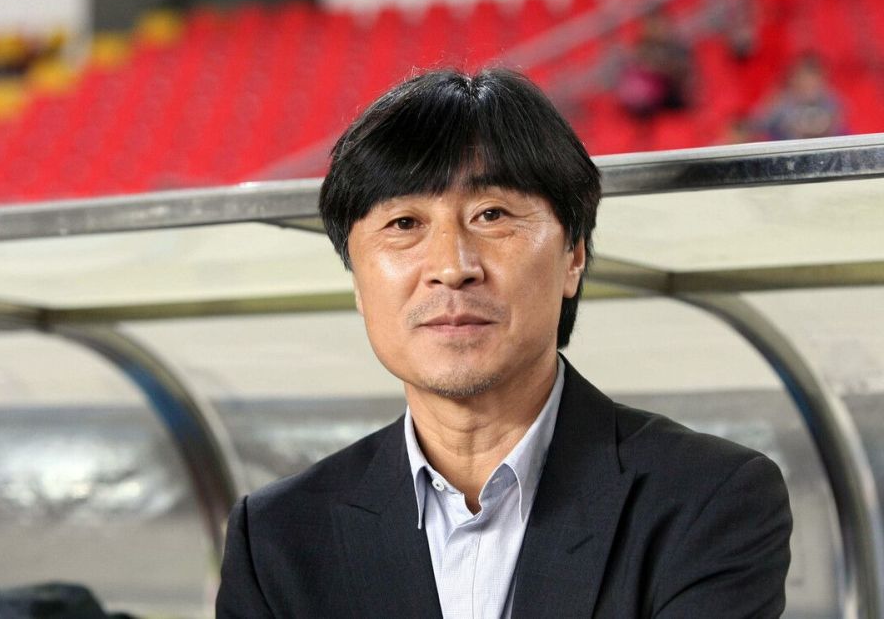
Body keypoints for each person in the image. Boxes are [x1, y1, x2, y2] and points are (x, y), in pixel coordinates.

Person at [216, 68, 792, 618]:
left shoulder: (707, 499)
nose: (451, 268)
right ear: (358, 283)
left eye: (491, 214)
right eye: (404, 224)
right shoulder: (277, 538)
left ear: (573, 256)